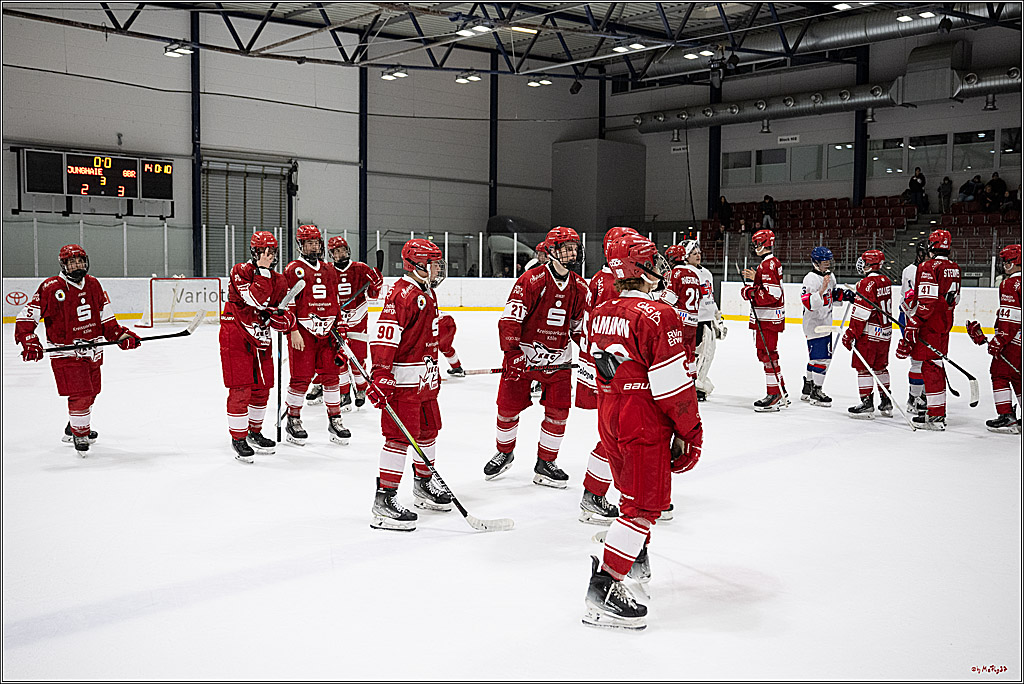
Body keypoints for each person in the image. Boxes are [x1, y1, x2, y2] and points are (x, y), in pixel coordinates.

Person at [582, 232, 703, 631]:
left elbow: (593, 368)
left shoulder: (600, 310)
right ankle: (605, 587)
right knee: (644, 507)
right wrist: (692, 431)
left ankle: (634, 559)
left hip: (611, 413)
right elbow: (673, 386)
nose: (660, 267)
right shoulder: (659, 314)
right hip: (643, 419)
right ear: (638, 266)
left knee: (629, 496)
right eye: (652, 259)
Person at [484, 225, 588, 487]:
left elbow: (578, 327)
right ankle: (504, 452)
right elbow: (510, 319)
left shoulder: (579, 287)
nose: (573, 253)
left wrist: (589, 351)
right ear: (552, 251)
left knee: (559, 412)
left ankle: (546, 463)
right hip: (525, 357)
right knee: (507, 408)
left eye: (575, 247)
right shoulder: (532, 280)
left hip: (560, 359)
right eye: (567, 248)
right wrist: (512, 354)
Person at [14, 244, 143, 455]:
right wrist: (29, 339)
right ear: (63, 264)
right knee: (81, 393)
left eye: (80, 260)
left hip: (94, 350)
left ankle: (73, 425)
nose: (77, 265)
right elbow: (26, 316)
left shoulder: (94, 284)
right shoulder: (50, 287)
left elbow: (106, 318)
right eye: (72, 262)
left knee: (92, 392)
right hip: (66, 353)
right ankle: (80, 433)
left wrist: (121, 335)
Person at [366, 238, 452, 531]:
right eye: (433, 263)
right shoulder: (402, 294)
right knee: (399, 438)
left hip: (425, 381)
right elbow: (384, 336)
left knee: (428, 431)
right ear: (416, 265)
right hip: (403, 383)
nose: (438, 267)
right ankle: (384, 499)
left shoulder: (426, 291)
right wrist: (380, 373)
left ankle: (423, 485)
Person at [575, 227, 637, 526]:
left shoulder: (601, 279)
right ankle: (595, 494)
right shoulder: (614, 283)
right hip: (613, 369)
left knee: (620, 431)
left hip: (602, 365)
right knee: (618, 433)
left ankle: (627, 491)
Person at [218, 232, 293, 462]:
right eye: (264, 252)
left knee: (262, 387)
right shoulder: (240, 271)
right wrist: (261, 271)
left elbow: (285, 310)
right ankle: (238, 437)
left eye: (272, 252)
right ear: (255, 252)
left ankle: (254, 431)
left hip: (261, 336)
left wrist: (283, 320)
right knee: (241, 388)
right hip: (235, 335)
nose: (269, 256)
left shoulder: (279, 279)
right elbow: (256, 300)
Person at [282, 225, 350, 446]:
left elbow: (335, 301)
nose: (314, 246)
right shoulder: (293, 269)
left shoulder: (329, 270)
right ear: (300, 245)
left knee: (332, 377)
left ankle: (335, 419)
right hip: (303, 333)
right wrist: (292, 331)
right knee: (301, 378)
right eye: (309, 243)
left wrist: (340, 328)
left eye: (317, 242)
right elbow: (288, 303)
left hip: (327, 334)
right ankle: (293, 419)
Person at [306, 236, 384, 409]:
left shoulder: (360, 268)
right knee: (337, 359)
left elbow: (372, 296)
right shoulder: (327, 271)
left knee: (358, 359)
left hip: (358, 321)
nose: (341, 254)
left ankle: (361, 389)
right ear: (331, 254)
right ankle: (343, 392)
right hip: (337, 322)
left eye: (343, 250)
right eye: (337, 251)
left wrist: (376, 286)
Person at [896, 229, 961, 430]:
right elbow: (955, 299)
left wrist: (915, 321)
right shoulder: (954, 267)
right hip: (944, 325)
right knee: (935, 366)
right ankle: (937, 411)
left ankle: (935, 416)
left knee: (929, 368)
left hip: (928, 326)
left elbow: (926, 301)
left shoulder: (927, 266)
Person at [967, 244, 1021, 433]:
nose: (1004, 265)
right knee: (1018, 375)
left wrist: (1000, 340)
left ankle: (1007, 417)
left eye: (1006, 261)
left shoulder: (1009, 284)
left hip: (1015, 341)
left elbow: (1010, 318)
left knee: (999, 373)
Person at [843, 250, 894, 419]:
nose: (861, 264)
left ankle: (866, 403)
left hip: (869, 334)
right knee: (880, 367)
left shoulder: (867, 283)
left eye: (864, 261)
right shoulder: (885, 280)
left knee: (863, 368)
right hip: (885, 333)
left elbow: (861, 313)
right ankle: (886, 400)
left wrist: (851, 333)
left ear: (870, 264)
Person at [741, 229, 788, 411]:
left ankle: (774, 394)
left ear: (762, 244)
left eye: (756, 244)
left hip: (768, 319)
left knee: (767, 354)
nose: (755, 247)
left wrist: (749, 292)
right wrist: (757, 279)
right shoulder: (770, 263)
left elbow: (772, 294)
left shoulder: (767, 265)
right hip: (769, 318)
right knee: (769, 354)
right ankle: (780, 389)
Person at [799, 247, 839, 407]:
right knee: (822, 359)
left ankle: (808, 387)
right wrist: (821, 290)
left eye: (829, 262)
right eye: (824, 262)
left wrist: (846, 295)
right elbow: (808, 303)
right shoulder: (809, 279)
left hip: (826, 322)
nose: (828, 265)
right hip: (814, 324)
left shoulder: (830, 276)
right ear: (815, 263)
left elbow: (833, 296)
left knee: (815, 358)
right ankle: (817, 391)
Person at [690, 241, 727, 402]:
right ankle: (694, 385)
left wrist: (717, 313)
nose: (698, 255)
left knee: (708, 354)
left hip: (708, 319)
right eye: (694, 253)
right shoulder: (686, 272)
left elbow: (709, 295)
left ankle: (698, 383)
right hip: (694, 320)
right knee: (697, 354)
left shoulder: (706, 272)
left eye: (699, 252)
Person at [662, 241, 702, 382]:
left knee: (677, 352)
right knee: (690, 352)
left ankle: (679, 382)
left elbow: (668, 299)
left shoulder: (675, 273)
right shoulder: (695, 274)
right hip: (693, 321)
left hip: (680, 322)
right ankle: (692, 381)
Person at [900, 244, 928, 415]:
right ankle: (914, 397)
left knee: (929, 361)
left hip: (927, 320)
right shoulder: (909, 271)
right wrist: (911, 321)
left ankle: (924, 394)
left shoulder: (934, 269)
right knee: (917, 361)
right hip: (911, 317)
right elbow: (905, 300)